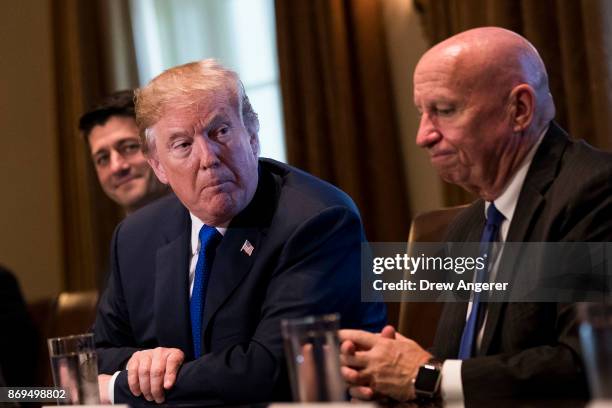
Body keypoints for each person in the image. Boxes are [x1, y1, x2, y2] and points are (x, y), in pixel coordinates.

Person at [340, 27, 612, 403]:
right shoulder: (469, 226)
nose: (423, 136)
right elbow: (461, 365)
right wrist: (394, 381)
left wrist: (426, 377)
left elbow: (588, 366)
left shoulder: (593, 192)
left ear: (519, 109)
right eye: (422, 113)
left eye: (445, 110)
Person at [93, 59, 387, 405]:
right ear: (158, 165)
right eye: (183, 145)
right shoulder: (135, 236)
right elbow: (97, 354)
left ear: (252, 135)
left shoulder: (317, 220)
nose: (208, 158)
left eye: (220, 132)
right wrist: (144, 365)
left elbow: (268, 370)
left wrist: (120, 387)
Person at [79, 90, 168, 214]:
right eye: (103, 158)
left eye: (129, 147)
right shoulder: (123, 233)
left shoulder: (202, 225)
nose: (116, 167)